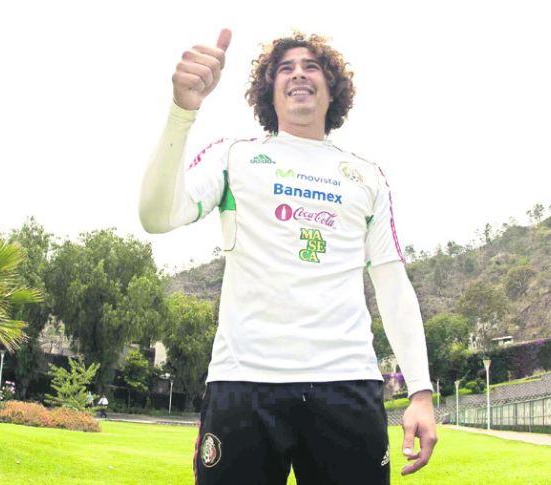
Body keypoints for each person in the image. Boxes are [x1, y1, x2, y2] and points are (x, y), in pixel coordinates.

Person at [139, 28, 437, 484]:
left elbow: (393, 285)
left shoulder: (367, 177)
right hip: (243, 383)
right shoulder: (233, 157)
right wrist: (183, 111)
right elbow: (157, 216)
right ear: (269, 89)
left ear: (332, 88)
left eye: (311, 66)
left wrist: (420, 392)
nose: (298, 74)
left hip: (346, 384)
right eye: (285, 68)